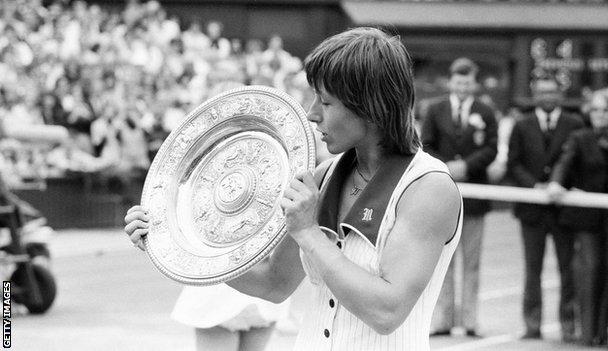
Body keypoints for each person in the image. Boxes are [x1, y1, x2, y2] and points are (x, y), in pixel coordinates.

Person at [125, 27, 462, 350]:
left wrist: (308, 233)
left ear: (371, 107)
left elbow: (387, 312)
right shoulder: (323, 175)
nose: (312, 114)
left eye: (326, 103)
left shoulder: (428, 188)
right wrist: (172, 240)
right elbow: (273, 283)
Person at [420, 57, 498, 337]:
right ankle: (442, 318)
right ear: (451, 82)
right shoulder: (435, 109)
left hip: (475, 197)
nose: (463, 86)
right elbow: (425, 145)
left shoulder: (486, 111)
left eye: (467, 82)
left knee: (472, 261)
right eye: (458, 81)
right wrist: (446, 167)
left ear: (474, 84)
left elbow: (491, 148)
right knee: (444, 260)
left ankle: (470, 320)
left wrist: (467, 165)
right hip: (443, 196)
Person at [507, 75, 584, 341]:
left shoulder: (575, 124)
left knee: (569, 269)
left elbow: (579, 161)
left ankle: (568, 324)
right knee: (532, 269)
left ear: (560, 95)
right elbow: (513, 163)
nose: (547, 97)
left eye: (552, 92)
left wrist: (558, 185)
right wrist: (535, 187)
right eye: (542, 92)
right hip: (532, 210)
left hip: (565, 210)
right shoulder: (521, 124)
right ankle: (532, 324)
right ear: (534, 95)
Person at [547, 90, 608, 346]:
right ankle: (588, 334)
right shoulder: (579, 138)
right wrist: (556, 183)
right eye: (595, 110)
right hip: (586, 220)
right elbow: (564, 163)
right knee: (589, 272)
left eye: (605, 110)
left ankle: (604, 333)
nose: (599, 115)